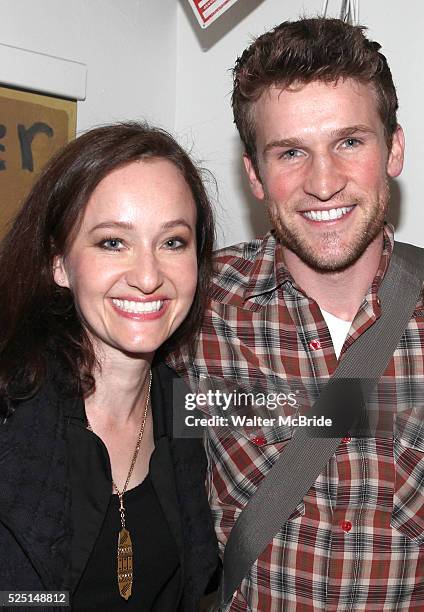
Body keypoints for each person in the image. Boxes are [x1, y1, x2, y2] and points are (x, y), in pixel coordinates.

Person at [170, 17, 424, 610]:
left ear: (393, 148)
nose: (324, 182)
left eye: (350, 142)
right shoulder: (194, 307)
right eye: (291, 152)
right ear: (255, 175)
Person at [0, 122, 219, 611]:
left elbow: (322, 411)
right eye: (112, 242)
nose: (147, 277)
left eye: (173, 242)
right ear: (58, 263)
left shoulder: (186, 408)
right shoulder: (11, 415)